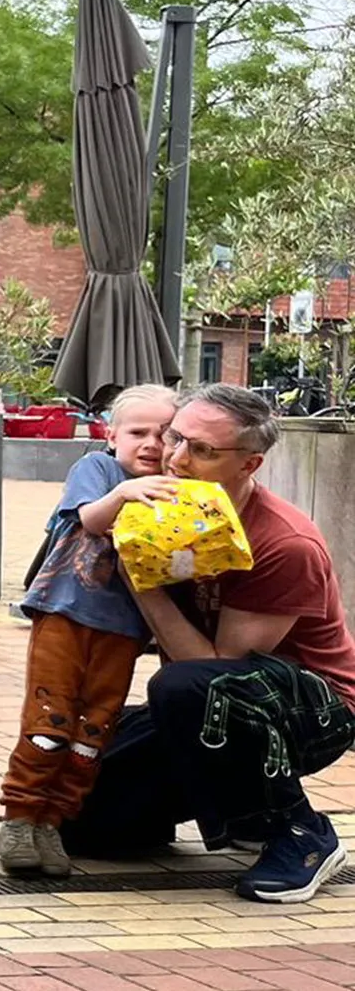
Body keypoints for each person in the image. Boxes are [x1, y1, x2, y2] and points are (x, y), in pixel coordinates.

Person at [126, 385, 355, 903]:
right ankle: (234, 806)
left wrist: (142, 580)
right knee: (90, 821)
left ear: (249, 464)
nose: (177, 458)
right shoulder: (161, 508)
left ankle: (301, 832)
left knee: (186, 687)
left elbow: (218, 668)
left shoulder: (281, 543)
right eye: (175, 438)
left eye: (202, 450)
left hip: (315, 709)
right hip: (213, 699)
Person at [0, 384, 177, 877]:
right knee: (50, 718)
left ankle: (55, 820)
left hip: (124, 631)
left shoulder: (177, 486)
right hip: (65, 613)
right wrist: (123, 492)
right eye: (139, 432)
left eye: (165, 434)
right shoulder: (98, 470)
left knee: (94, 729)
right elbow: (92, 521)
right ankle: (20, 815)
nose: (152, 444)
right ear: (111, 434)